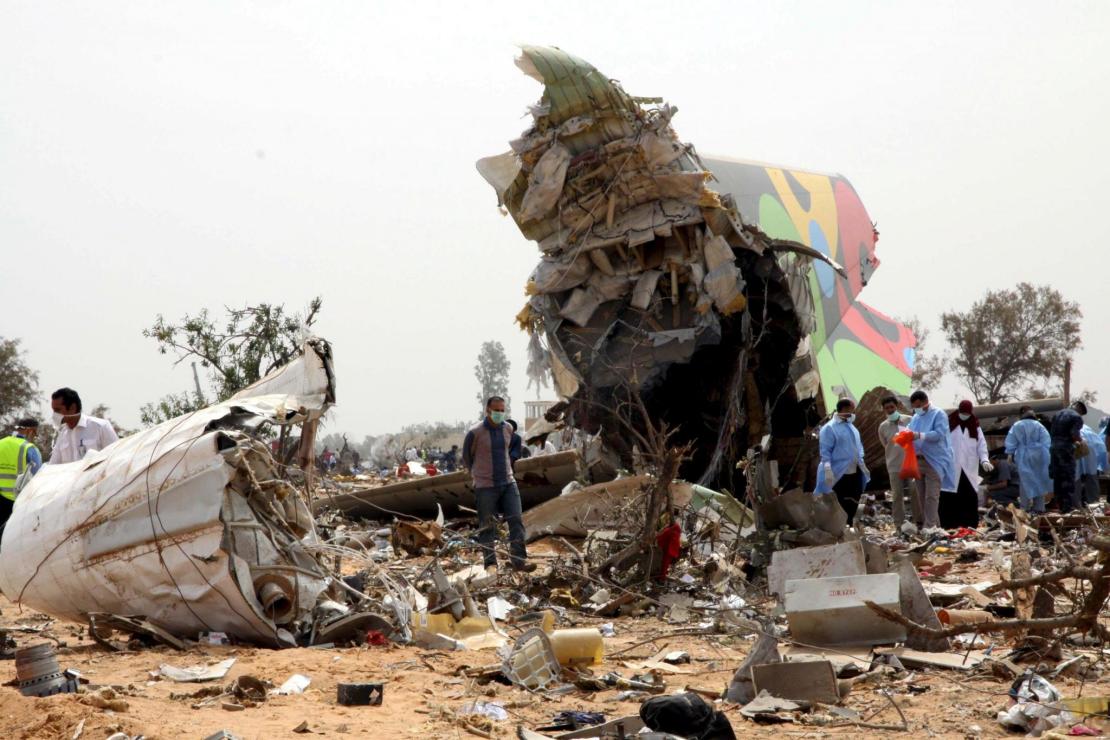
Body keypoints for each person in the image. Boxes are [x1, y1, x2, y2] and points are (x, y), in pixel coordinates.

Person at [462, 397, 535, 573]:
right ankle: (490, 564)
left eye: (502, 410)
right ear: (487, 410)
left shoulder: (508, 429)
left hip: (508, 482)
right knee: (487, 525)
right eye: (496, 410)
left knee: (516, 520)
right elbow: (467, 457)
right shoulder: (475, 432)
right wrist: (478, 474)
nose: (499, 413)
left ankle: (518, 561)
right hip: (485, 485)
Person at [907, 390, 956, 534]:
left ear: (925, 402)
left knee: (931, 496)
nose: (917, 409)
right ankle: (935, 527)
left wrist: (919, 435)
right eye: (914, 406)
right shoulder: (916, 417)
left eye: (918, 405)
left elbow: (938, 434)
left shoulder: (939, 414)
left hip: (934, 460)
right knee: (922, 496)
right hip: (919, 460)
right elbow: (910, 431)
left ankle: (928, 527)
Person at [814, 399, 869, 521]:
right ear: (844, 409)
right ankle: (840, 526)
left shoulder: (851, 427)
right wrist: (827, 469)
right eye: (852, 409)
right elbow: (825, 451)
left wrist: (862, 463)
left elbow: (858, 447)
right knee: (840, 500)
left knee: (854, 498)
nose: (853, 412)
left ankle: (850, 524)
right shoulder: (829, 428)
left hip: (854, 469)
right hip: (838, 471)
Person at [944, 400, 992, 529]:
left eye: (967, 413)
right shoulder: (949, 424)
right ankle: (949, 525)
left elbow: (981, 445)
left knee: (968, 496)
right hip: (952, 466)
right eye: (963, 412)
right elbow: (941, 444)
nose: (965, 415)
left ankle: (969, 525)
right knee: (950, 496)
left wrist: (985, 460)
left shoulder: (975, 425)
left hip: (969, 467)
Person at [877, 396, 918, 531]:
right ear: (883, 410)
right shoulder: (882, 427)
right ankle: (899, 525)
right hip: (894, 465)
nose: (890, 410)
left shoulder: (909, 420)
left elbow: (916, 439)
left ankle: (920, 521)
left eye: (892, 407)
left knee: (915, 492)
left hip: (911, 463)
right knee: (897, 495)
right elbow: (885, 445)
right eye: (887, 408)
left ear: (897, 406)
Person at [49, 388, 119, 464]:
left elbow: (117, 458)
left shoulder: (100, 427)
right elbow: (53, 465)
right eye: (53, 411)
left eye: (57, 410)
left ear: (72, 407)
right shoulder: (63, 435)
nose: (54, 415)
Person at [1, 419, 43, 538]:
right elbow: (37, 478)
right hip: (17, 502)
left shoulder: (1, 443)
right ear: (29, 431)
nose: (34, 437)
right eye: (35, 434)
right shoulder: (29, 449)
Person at [1005, 406, 1052, 513]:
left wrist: (1010, 453)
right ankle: (1039, 508)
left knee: (1024, 482)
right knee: (1039, 481)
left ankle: (1024, 508)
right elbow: (1047, 442)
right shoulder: (1039, 426)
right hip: (1039, 456)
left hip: (1023, 457)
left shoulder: (1017, 425)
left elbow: (1011, 440)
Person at [1049, 401, 1087, 512]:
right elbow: (1074, 434)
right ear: (1080, 410)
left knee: (1057, 478)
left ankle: (1059, 505)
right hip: (1065, 450)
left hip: (1053, 448)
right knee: (1067, 478)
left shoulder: (1057, 414)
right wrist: (1081, 442)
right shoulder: (1076, 417)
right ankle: (1067, 508)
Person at [1077, 423, 1107, 505]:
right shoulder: (1087, 429)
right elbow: (1102, 448)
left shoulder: (1084, 430)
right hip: (1090, 466)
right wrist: (1101, 466)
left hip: (1085, 465)